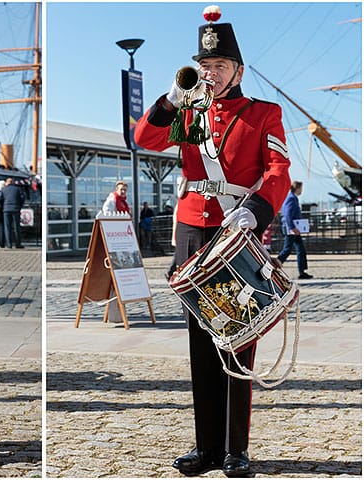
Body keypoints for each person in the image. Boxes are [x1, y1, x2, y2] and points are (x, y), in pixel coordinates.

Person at [134, 5, 291, 477]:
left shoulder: (264, 113)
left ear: (238, 70)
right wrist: (169, 100)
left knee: (238, 336)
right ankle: (205, 448)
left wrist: (256, 211)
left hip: (237, 227)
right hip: (192, 229)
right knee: (200, 340)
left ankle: (235, 450)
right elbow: (144, 138)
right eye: (205, 66)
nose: (210, 73)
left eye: (219, 66)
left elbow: (278, 172)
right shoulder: (192, 114)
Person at [277, 181, 313, 279]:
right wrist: (292, 227)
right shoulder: (292, 199)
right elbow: (288, 214)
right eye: (301, 188)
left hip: (292, 228)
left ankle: (302, 271)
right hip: (291, 228)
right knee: (288, 249)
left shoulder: (291, 198)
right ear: (297, 188)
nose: (301, 190)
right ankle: (276, 264)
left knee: (300, 249)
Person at [2, 177, 25, 248]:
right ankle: (18, 244)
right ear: (13, 182)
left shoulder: (4, 190)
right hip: (16, 209)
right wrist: (20, 206)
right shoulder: (18, 189)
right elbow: (22, 197)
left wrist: (3, 206)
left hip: (6, 209)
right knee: (16, 227)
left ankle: (9, 244)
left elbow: (0, 198)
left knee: (7, 227)